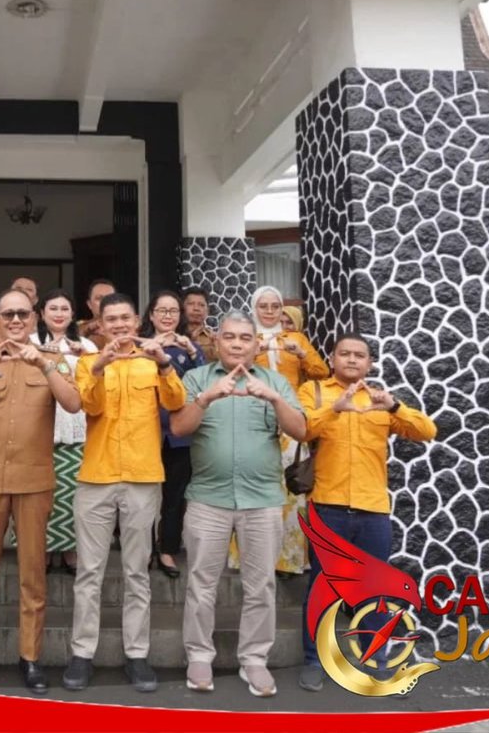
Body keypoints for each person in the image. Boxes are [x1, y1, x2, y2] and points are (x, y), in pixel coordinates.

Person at [168, 311, 306, 697]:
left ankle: (255, 660)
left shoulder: (274, 381)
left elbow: (300, 429)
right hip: (207, 499)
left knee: (260, 586)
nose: (237, 344)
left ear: (256, 344)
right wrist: (208, 397)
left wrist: (274, 399)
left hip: (262, 501)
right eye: (229, 337)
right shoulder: (197, 379)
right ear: (217, 341)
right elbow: (178, 428)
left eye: (245, 338)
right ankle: (199, 656)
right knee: (201, 583)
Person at [0, 289, 82, 693]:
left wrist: (44, 365)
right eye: (7, 314)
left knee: (32, 576)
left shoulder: (52, 359)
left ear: (34, 318)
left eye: (22, 314)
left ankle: (30, 657)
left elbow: (73, 403)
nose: (14, 320)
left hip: (34, 481)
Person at [295, 333, 437, 694]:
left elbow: (426, 430)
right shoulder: (313, 391)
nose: (352, 359)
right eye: (344, 353)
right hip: (327, 507)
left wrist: (394, 406)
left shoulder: (379, 399)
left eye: (360, 355)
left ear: (369, 363)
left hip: (373, 509)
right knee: (323, 588)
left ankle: (375, 657)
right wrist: (335, 408)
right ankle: (314, 660)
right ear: (332, 359)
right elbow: (302, 429)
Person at [63, 293, 186, 694]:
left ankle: (137, 654)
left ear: (136, 322)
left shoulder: (152, 360)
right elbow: (88, 407)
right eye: (110, 319)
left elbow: (176, 402)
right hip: (96, 476)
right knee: (89, 572)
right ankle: (82, 653)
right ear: (99, 324)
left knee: (136, 571)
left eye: (124, 318)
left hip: (142, 476)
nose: (118, 325)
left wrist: (164, 363)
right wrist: (99, 367)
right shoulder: (87, 362)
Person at [244, 285, 331, 578]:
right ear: (254, 309)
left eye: (275, 306)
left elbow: (322, 373)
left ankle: (289, 559)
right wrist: (254, 351)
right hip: (253, 420)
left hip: (290, 419)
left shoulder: (296, 338)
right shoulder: (248, 338)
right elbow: (230, 367)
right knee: (256, 487)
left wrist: (302, 354)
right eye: (263, 306)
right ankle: (255, 558)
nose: (269, 311)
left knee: (291, 488)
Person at [31, 288, 97, 574]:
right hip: (39, 428)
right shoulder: (30, 343)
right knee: (42, 495)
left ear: (72, 314)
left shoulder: (86, 346)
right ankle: (42, 551)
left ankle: (70, 550)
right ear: (42, 313)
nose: (59, 314)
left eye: (64, 309)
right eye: (53, 308)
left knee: (73, 494)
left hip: (77, 428)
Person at [140, 291, 203, 579]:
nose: (167, 316)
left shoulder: (189, 347)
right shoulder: (139, 345)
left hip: (179, 433)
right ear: (151, 315)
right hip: (144, 430)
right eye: (162, 310)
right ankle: (143, 549)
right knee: (142, 496)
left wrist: (191, 352)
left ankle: (167, 549)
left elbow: (204, 381)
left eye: (173, 311)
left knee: (175, 496)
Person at [181, 287, 219, 362]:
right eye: (191, 304)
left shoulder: (214, 338)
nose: (196, 308)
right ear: (182, 308)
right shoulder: (174, 335)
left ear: (207, 310)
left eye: (201, 305)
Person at [78, 279, 115, 349]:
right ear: (89, 304)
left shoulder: (128, 326)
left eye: (110, 298)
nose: (105, 302)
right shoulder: (81, 328)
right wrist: (86, 331)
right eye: (99, 298)